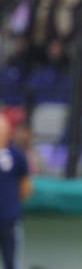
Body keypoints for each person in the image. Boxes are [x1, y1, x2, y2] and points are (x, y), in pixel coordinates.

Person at [0, 113, 32, 269]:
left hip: (9, 220)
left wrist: (11, 204)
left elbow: (26, 187)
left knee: (10, 262)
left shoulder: (17, 156)